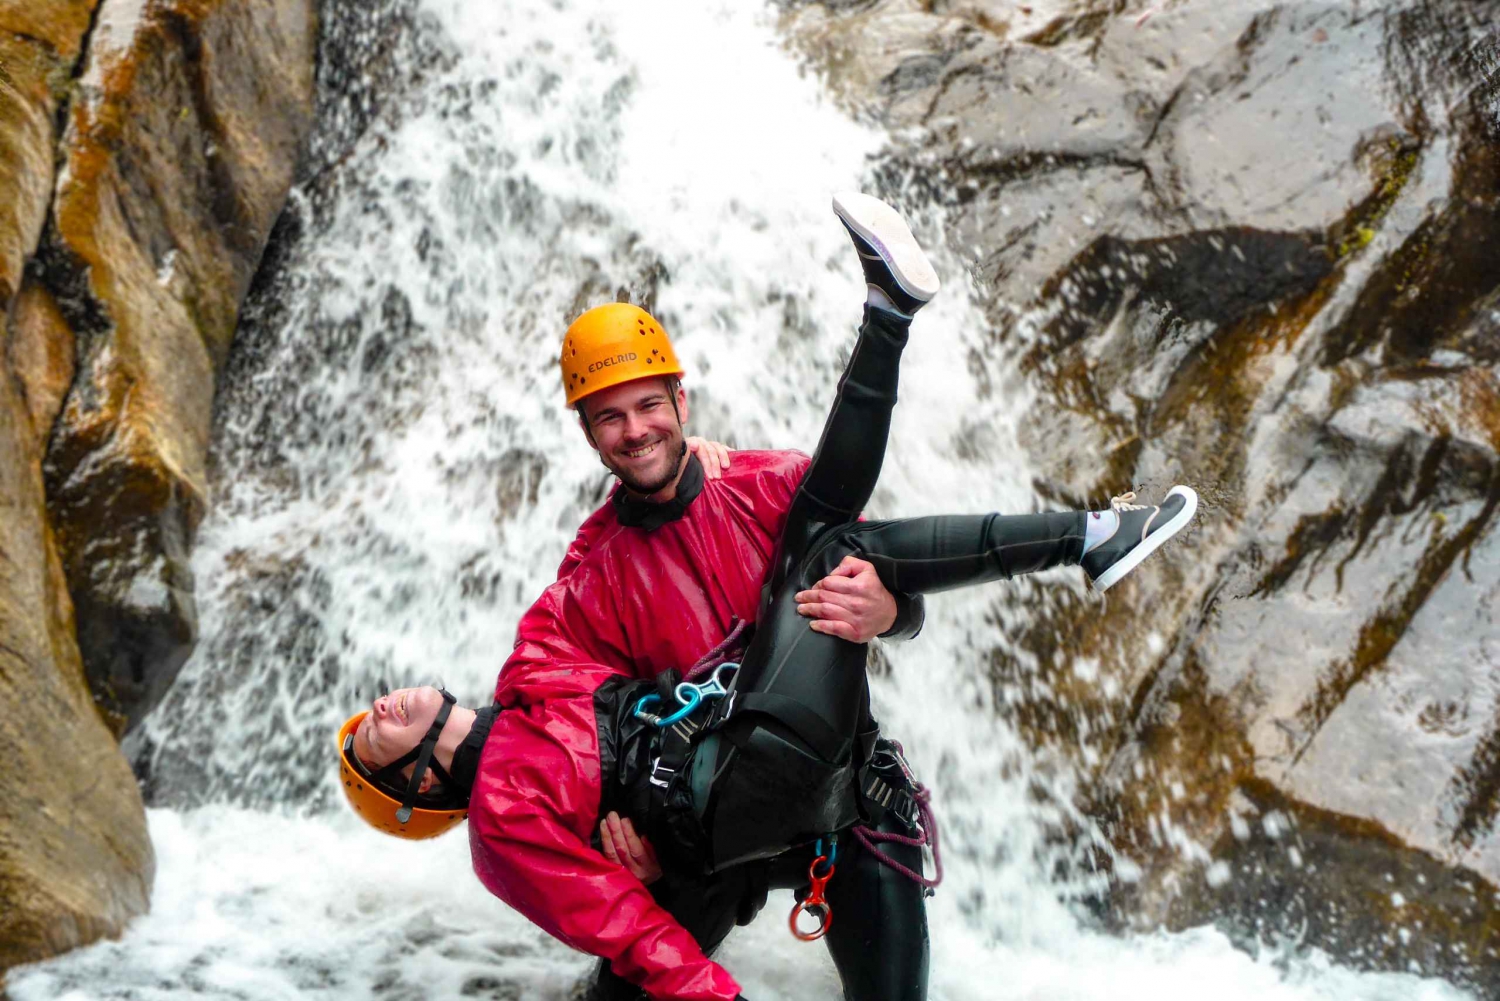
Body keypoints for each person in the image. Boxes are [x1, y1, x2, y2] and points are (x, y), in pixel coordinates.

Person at [336, 192, 1198, 1001]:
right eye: (610, 418)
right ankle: (1033, 476)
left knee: (836, 547)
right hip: (706, 835)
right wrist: (602, 836)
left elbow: (902, 589)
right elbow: (549, 733)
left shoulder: (764, 486)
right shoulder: (589, 579)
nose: (636, 430)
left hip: (842, 805)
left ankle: (912, 337)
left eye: (649, 405)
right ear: (588, 434)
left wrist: (890, 613)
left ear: (682, 398)